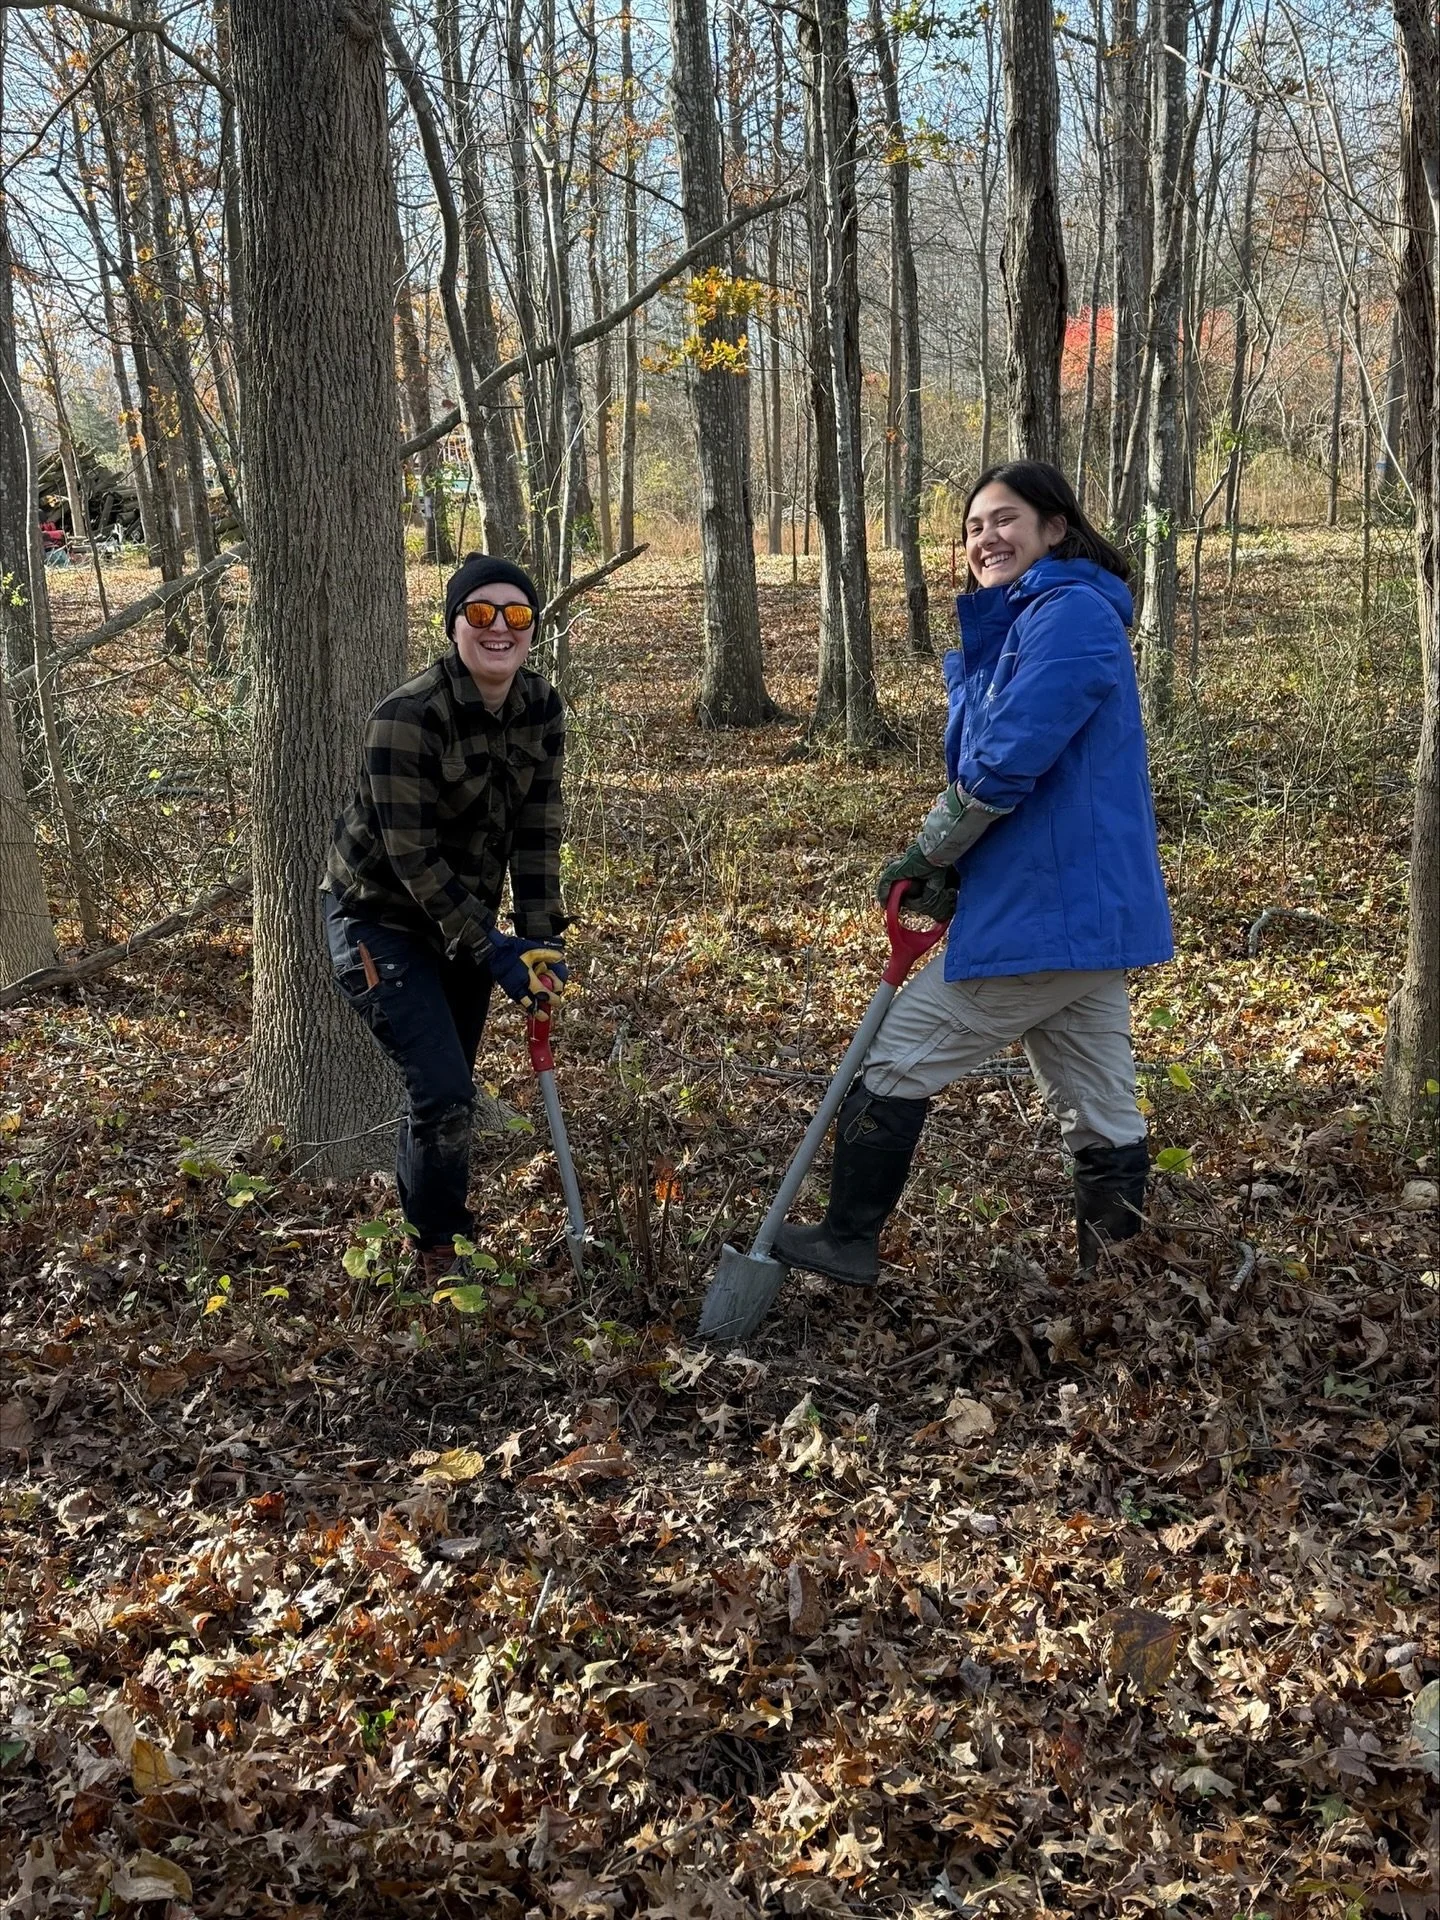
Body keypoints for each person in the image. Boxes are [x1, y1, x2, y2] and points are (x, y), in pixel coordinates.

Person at [772, 460, 1174, 1285]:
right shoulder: (1027, 622)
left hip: (1051, 907)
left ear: (1055, 528)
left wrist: (933, 850)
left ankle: (848, 1238)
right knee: (1100, 1110)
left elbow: (1006, 759)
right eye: (973, 527)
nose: (986, 538)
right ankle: (1121, 1291)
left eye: (1005, 519)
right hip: (1071, 909)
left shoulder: (1069, 615)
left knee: (892, 1058)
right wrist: (958, 862)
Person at [321, 554, 568, 1283]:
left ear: (532, 629)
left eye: (517, 615)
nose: (500, 629)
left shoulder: (542, 708)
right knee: (444, 1089)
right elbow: (410, 857)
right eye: (482, 614)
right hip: (378, 919)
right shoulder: (405, 716)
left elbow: (537, 830)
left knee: (446, 1089)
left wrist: (539, 937)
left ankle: (434, 1226)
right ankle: (440, 1248)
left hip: (467, 926)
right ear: (455, 625)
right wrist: (492, 948)